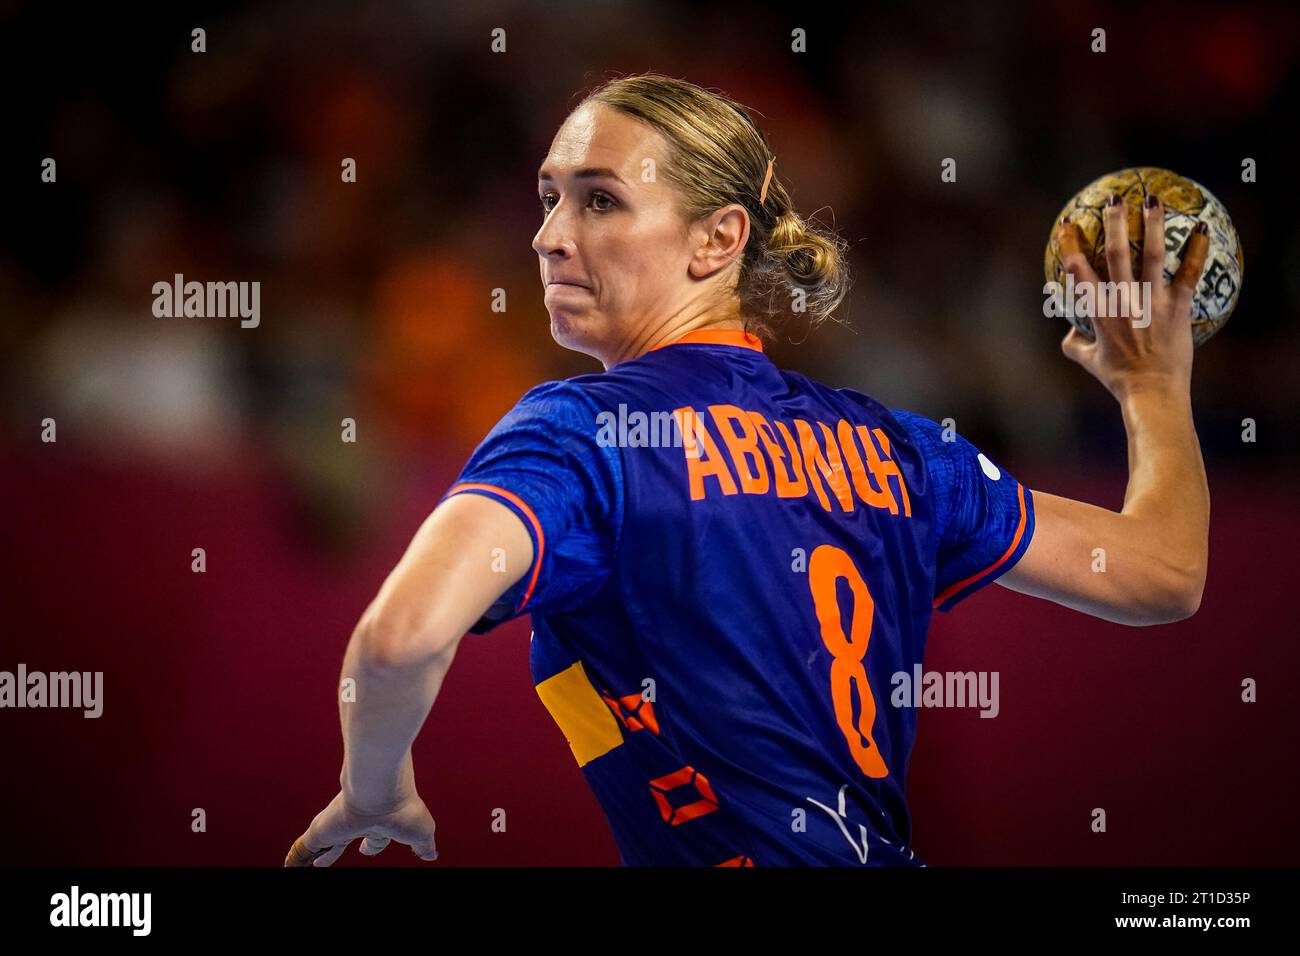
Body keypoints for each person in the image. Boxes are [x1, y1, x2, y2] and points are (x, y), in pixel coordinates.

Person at [284, 73, 1210, 867]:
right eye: (548, 197)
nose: (549, 235)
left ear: (719, 240)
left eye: (599, 199)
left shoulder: (580, 433)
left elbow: (399, 639)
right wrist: (1154, 390)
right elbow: (1162, 576)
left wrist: (374, 789)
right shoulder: (901, 448)